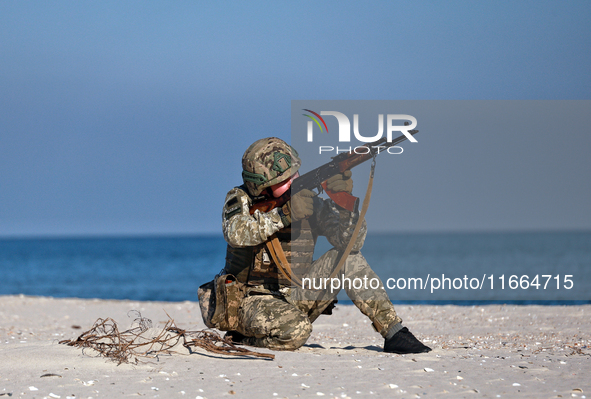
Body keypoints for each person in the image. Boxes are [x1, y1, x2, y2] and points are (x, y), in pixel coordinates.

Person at [213, 137, 431, 354]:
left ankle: (394, 332)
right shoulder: (241, 199)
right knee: (296, 331)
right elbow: (235, 233)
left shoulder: (309, 203)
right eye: (282, 181)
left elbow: (351, 243)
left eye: (294, 175)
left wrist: (344, 203)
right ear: (260, 186)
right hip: (250, 302)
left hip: (294, 296)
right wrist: (285, 215)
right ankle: (243, 339)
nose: (292, 183)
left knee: (347, 257)